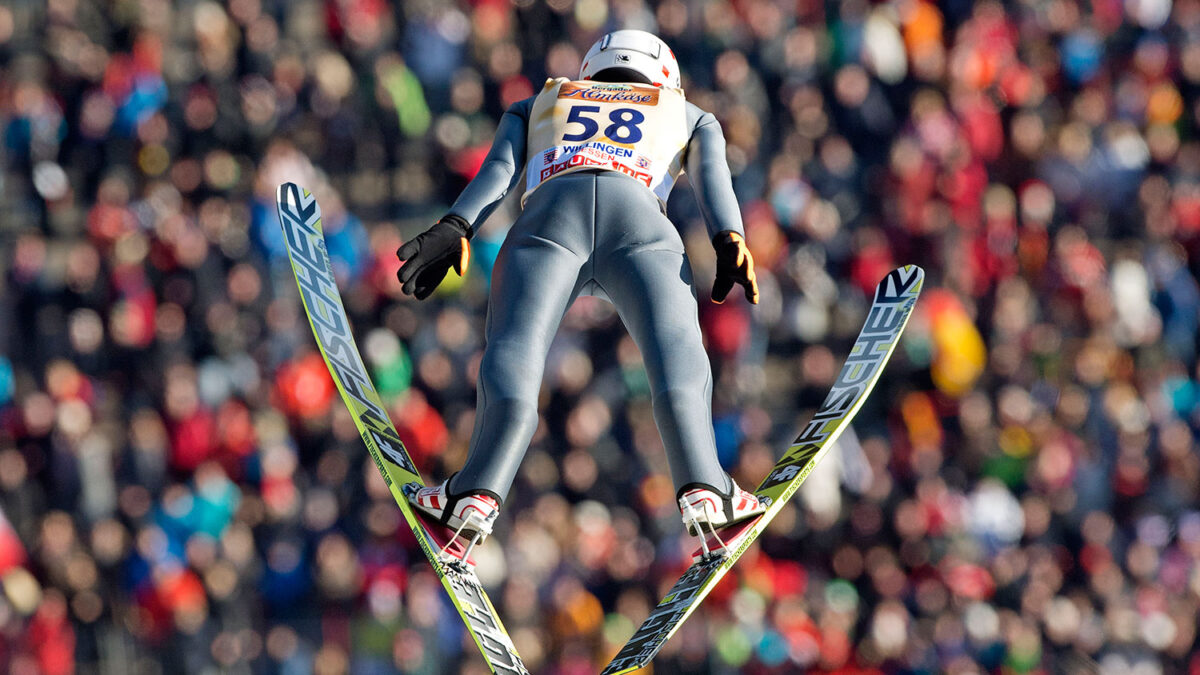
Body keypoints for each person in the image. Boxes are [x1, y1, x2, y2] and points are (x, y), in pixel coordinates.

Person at [396, 30, 765, 545]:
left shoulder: (542, 99)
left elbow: (500, 170)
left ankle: (474, 496)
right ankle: (705, 488)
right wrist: (730, 238)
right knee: (677, 356)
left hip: (549, 219)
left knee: (516, 352)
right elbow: (713, 176)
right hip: (640, 225)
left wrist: (456, 225)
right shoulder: (687, 112)